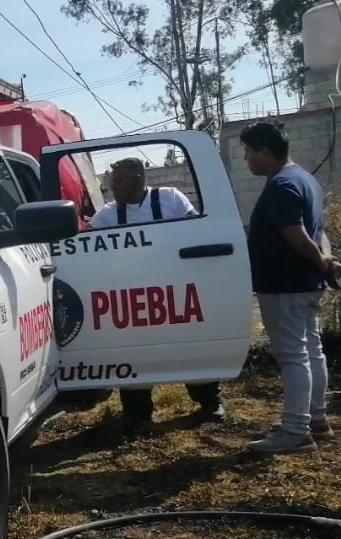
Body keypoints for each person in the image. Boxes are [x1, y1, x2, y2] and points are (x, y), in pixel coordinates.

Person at [87, 157, 226, 435]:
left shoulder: (171, 199)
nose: (112, 188)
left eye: (119, 181)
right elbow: (85, 248)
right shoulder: (107, 215)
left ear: (137, 177)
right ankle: (137, 415)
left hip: (174, 292)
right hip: (133, 298)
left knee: (191, 347)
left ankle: (210, 401)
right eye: (111, 182)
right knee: (133, 355)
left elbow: (194, 231)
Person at [242, 121, 336, 453]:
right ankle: (316, 420)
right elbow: (319, 232)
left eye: (248, 152)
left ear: (264, 152)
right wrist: (324, 263)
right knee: (312, 351)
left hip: (285, 285)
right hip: (305, 283)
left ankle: (295, 430)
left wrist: (322, 263)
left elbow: (296, 235)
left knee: (294, 356)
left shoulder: (281, 185)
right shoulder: (305, 179)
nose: (246, 159)